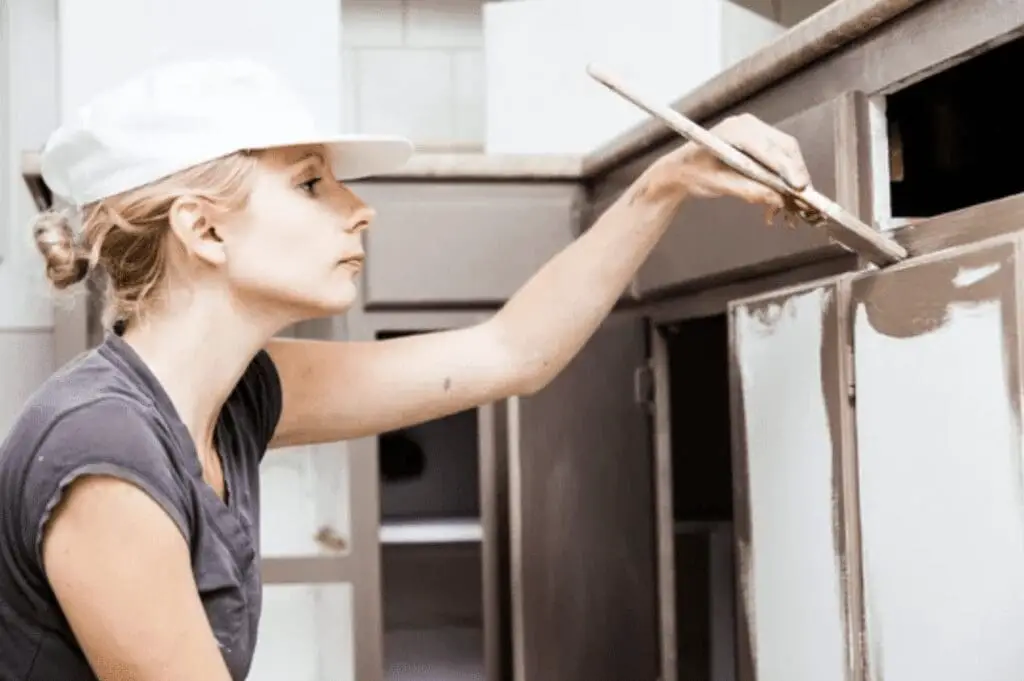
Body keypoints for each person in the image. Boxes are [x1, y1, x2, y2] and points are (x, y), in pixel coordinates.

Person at [0, 58, 810, 681]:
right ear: (204, 232)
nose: (359, 206)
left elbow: (510, 353)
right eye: (312, 182)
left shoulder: (236, 396)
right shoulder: (103, 452)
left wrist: (666, 183)